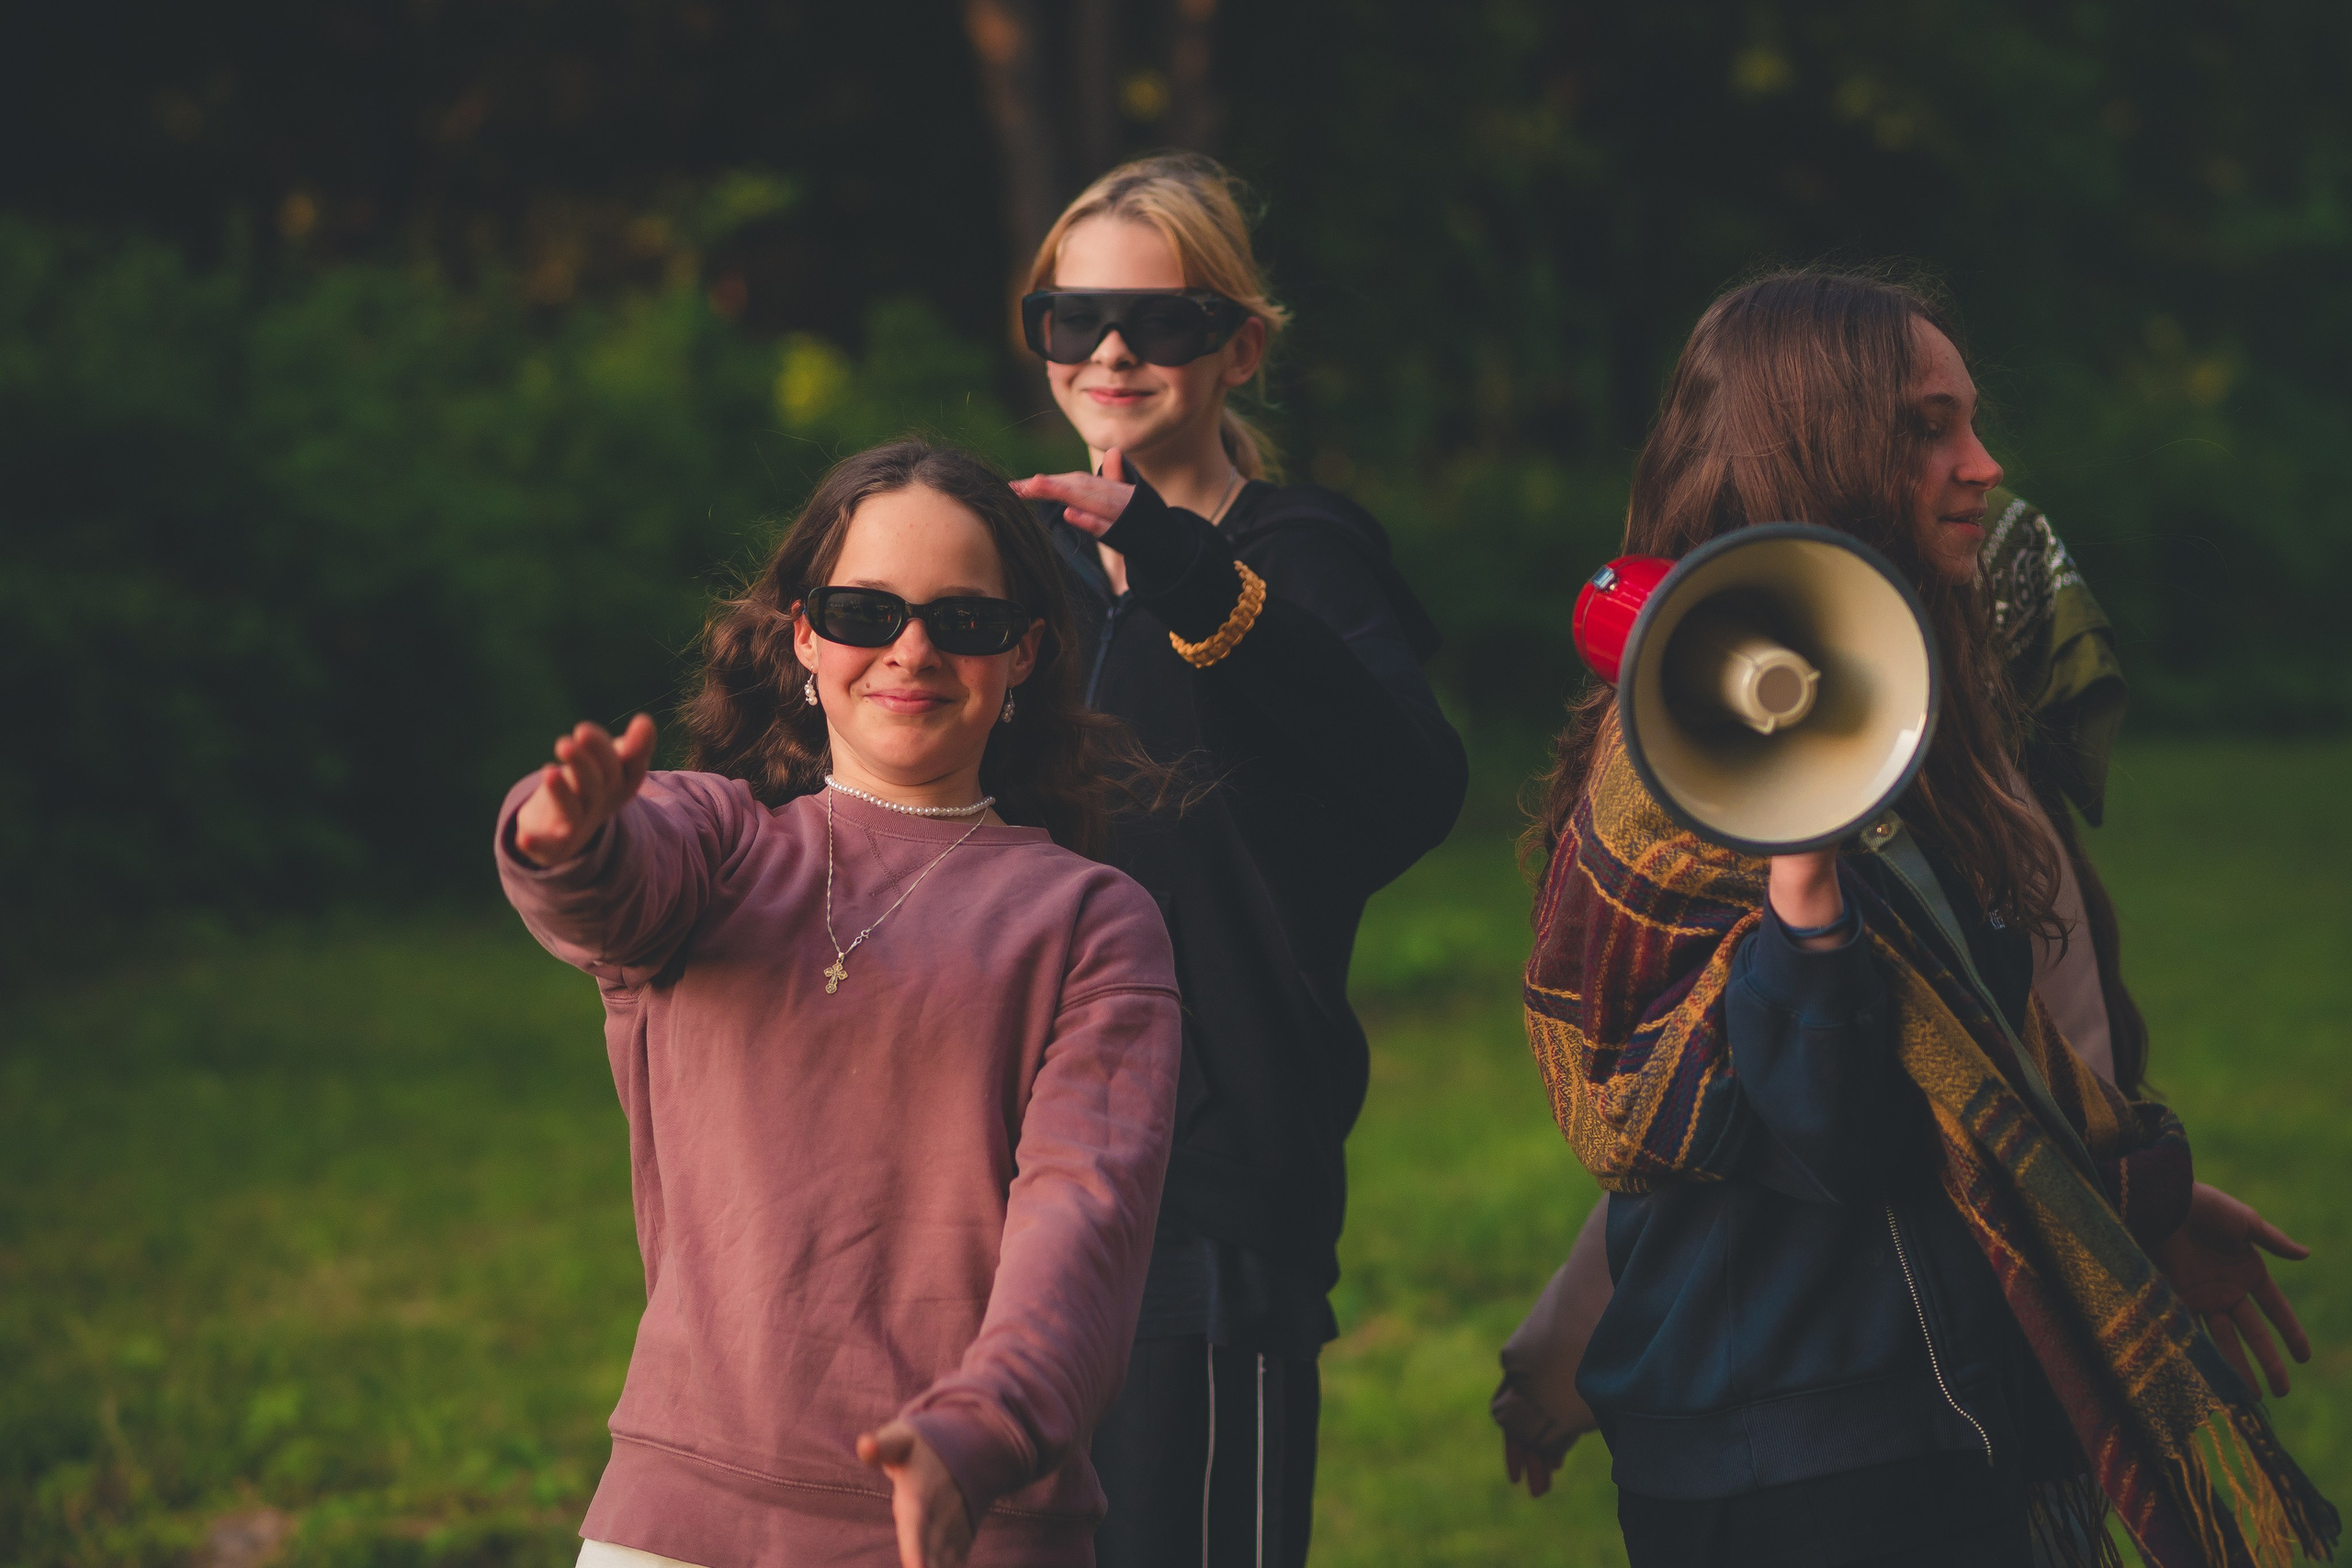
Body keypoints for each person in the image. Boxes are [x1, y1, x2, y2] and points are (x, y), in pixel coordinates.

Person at [1517, 271, 2337, 1567]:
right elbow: (1840, 1132)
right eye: (1929, 428)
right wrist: (1804, 889)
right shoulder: (1699, 749)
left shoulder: (1889, 713)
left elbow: (1969, 1050)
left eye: (1972, 420)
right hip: (1810, 1455)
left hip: (1925, 1411)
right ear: (1817, 450)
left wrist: (2141, 1190)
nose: (1983, 463)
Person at [494, 439, 1183, 1568]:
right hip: (676, 1520)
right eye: (866, 611)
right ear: (805, 638)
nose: (910, 649)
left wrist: (985, 1426)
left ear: (1023, 655)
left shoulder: (1092, 921)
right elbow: (612, 887)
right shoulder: (717, 846)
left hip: (964, 1525)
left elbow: (1085, 1221)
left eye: (963, 622)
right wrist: (559, 835)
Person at [1008, 153, 1469, 1568]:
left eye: (1162, 320)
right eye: (1072, 318)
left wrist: (1183, 567)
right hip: (992, 1176)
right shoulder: (1005, 565)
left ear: (1241, 345)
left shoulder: (1303, 553)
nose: (1112, 352)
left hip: (1203, 1194)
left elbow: (1412, 788)